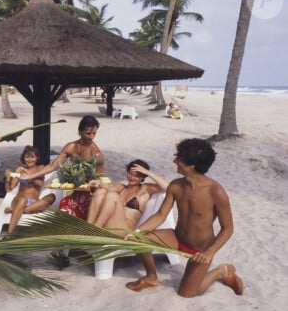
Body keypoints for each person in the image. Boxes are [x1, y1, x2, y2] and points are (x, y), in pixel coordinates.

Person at [125, 138, 244, 297]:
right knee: (138, 239)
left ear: (192, 165)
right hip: (176, 238)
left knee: (188, 293)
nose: (175, 160)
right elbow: (160, 215)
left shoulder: (215, 192)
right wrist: (137, 231)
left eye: (179, 158)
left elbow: (228, 229)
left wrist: (209, 253)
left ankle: (221, 271)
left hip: (201, 249)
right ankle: (151, 277)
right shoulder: (176, 186)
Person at [21, 115, 105, 220]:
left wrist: (93, 184)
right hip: (75, 192)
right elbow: (53, 166)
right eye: (88, 133)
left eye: (94, 133)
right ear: (80, 131)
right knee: (63, 207)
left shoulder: (96, 153)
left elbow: (100, 178)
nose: (91, 137)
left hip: (91, 194)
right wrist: (31, 176)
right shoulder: (71, 147)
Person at [86, 159, 169, 233]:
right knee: (101, 191)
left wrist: (147, 172)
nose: (132, 177)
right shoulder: (121, 187)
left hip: (124, 230)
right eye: (130, 173)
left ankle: (95, 230)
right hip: (110, 224)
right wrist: (97, 182)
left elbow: (168, 187)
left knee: (113, 195)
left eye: (137, 176)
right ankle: (88, 227)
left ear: (143, 177)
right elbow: (105, 188)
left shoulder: (145, 189)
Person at [3, 146, 56, 234]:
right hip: (19, 200)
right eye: (27, 157)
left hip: (33, 203)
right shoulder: (20, 171)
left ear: (37, 158)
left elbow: (40, 183)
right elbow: (9, 189)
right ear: (23, 158)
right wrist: (8, 177)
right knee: (23, 199)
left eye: (32, 157)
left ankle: (19, 210)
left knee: (52, 197)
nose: (29, 160)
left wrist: (29, 174)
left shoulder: (40, 168)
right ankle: (9, 235)